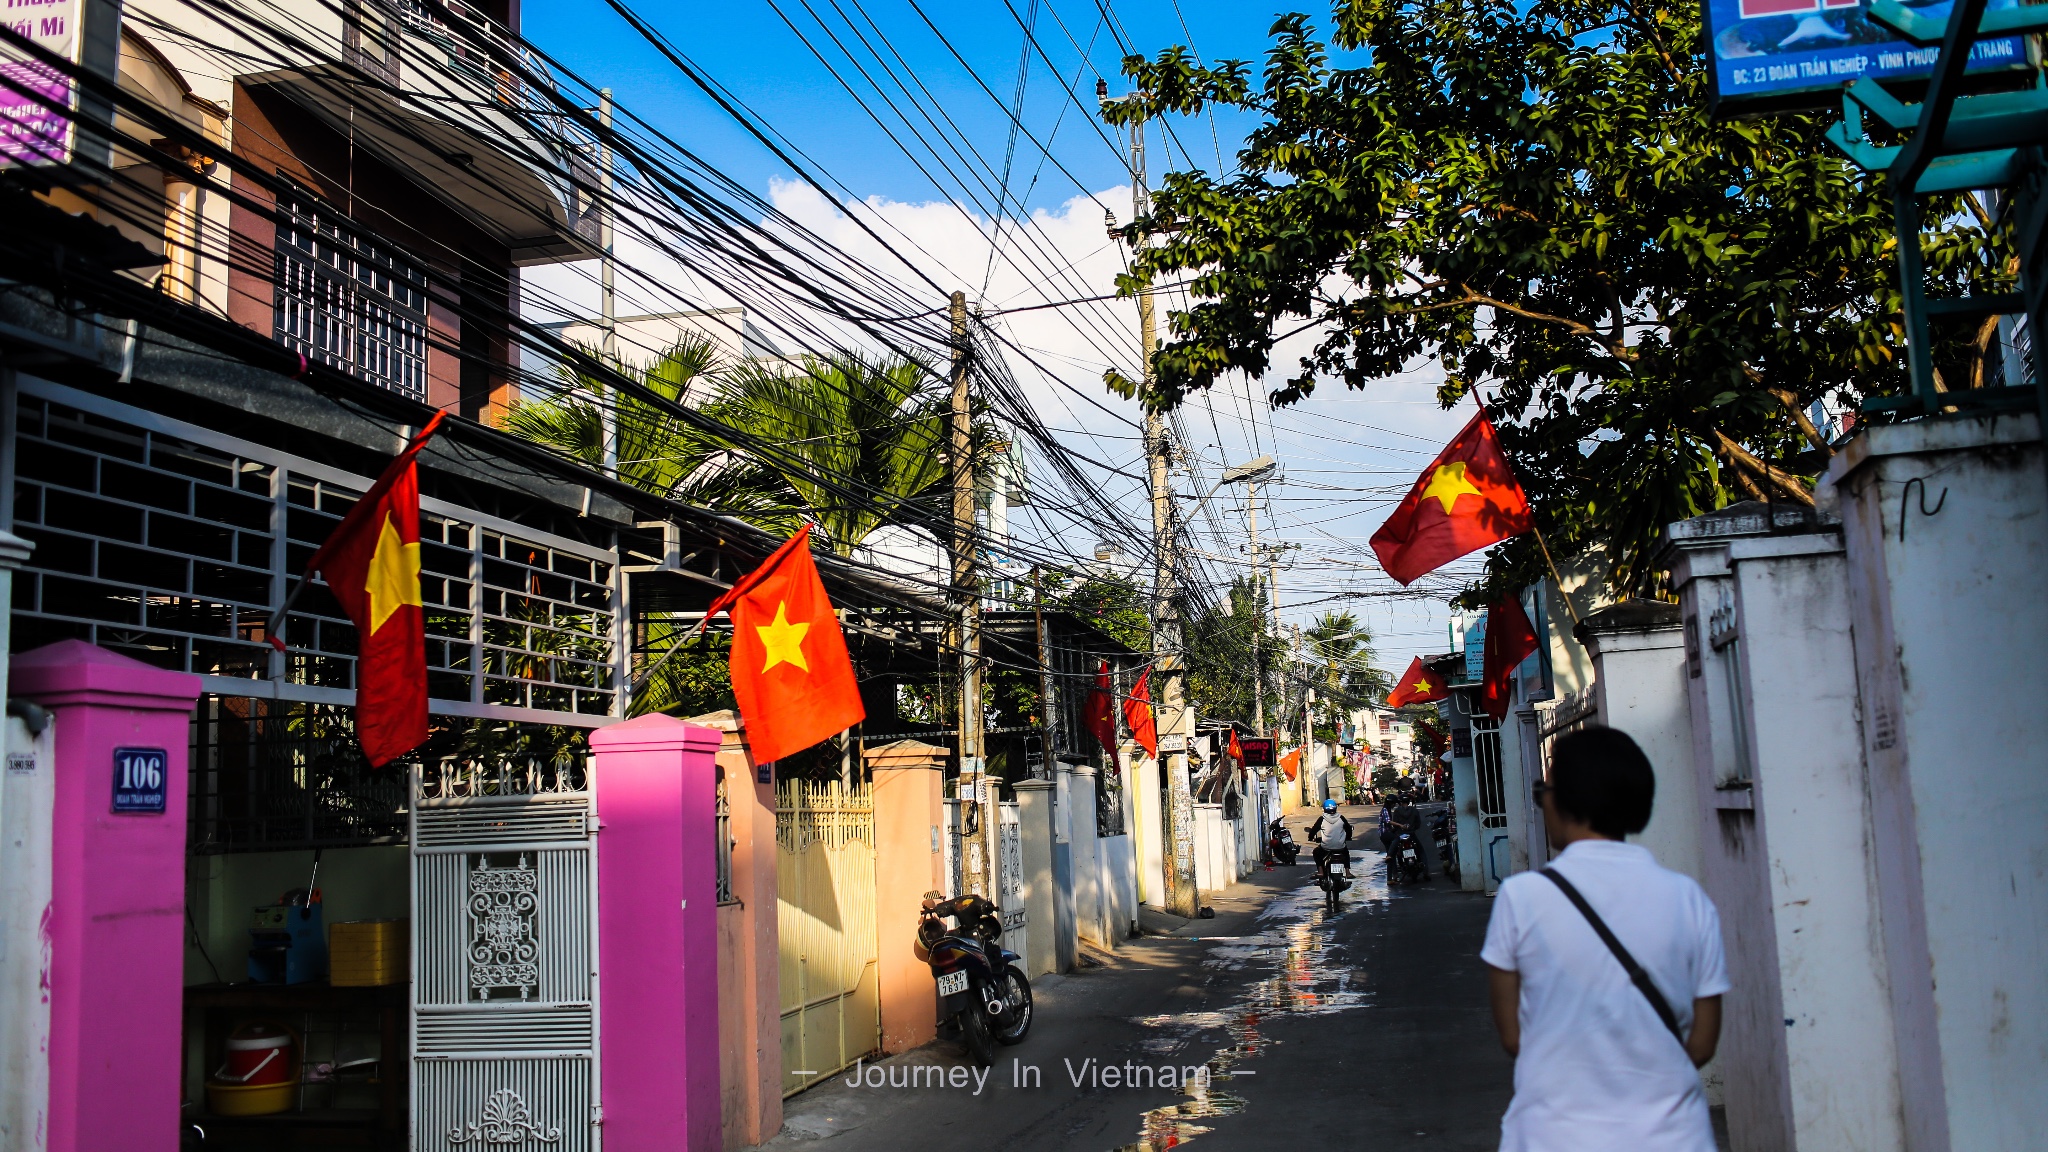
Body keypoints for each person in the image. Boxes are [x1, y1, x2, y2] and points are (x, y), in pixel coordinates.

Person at [1482, 727, 1728, 1152]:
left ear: (1565, 799)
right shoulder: (1689, 899)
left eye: (1544, 789)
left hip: (1553, 1133)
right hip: (1674, 1136)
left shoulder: (1520, 898)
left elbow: (1513, 1038)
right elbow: (1703, 1041)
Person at [1307, 798, 1351, 888]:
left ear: (1324, 808)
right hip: (1340, 847)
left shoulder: (1322, 819)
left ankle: (1321, 871)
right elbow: (1348, 829)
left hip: (1326, 847)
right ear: (1335, 808)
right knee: (1346, 853)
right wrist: (1348, 837)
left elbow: (1314, 830)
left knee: (1316, 852)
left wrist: (1310, 837)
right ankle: (1347, 871)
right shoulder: (1341, 818)